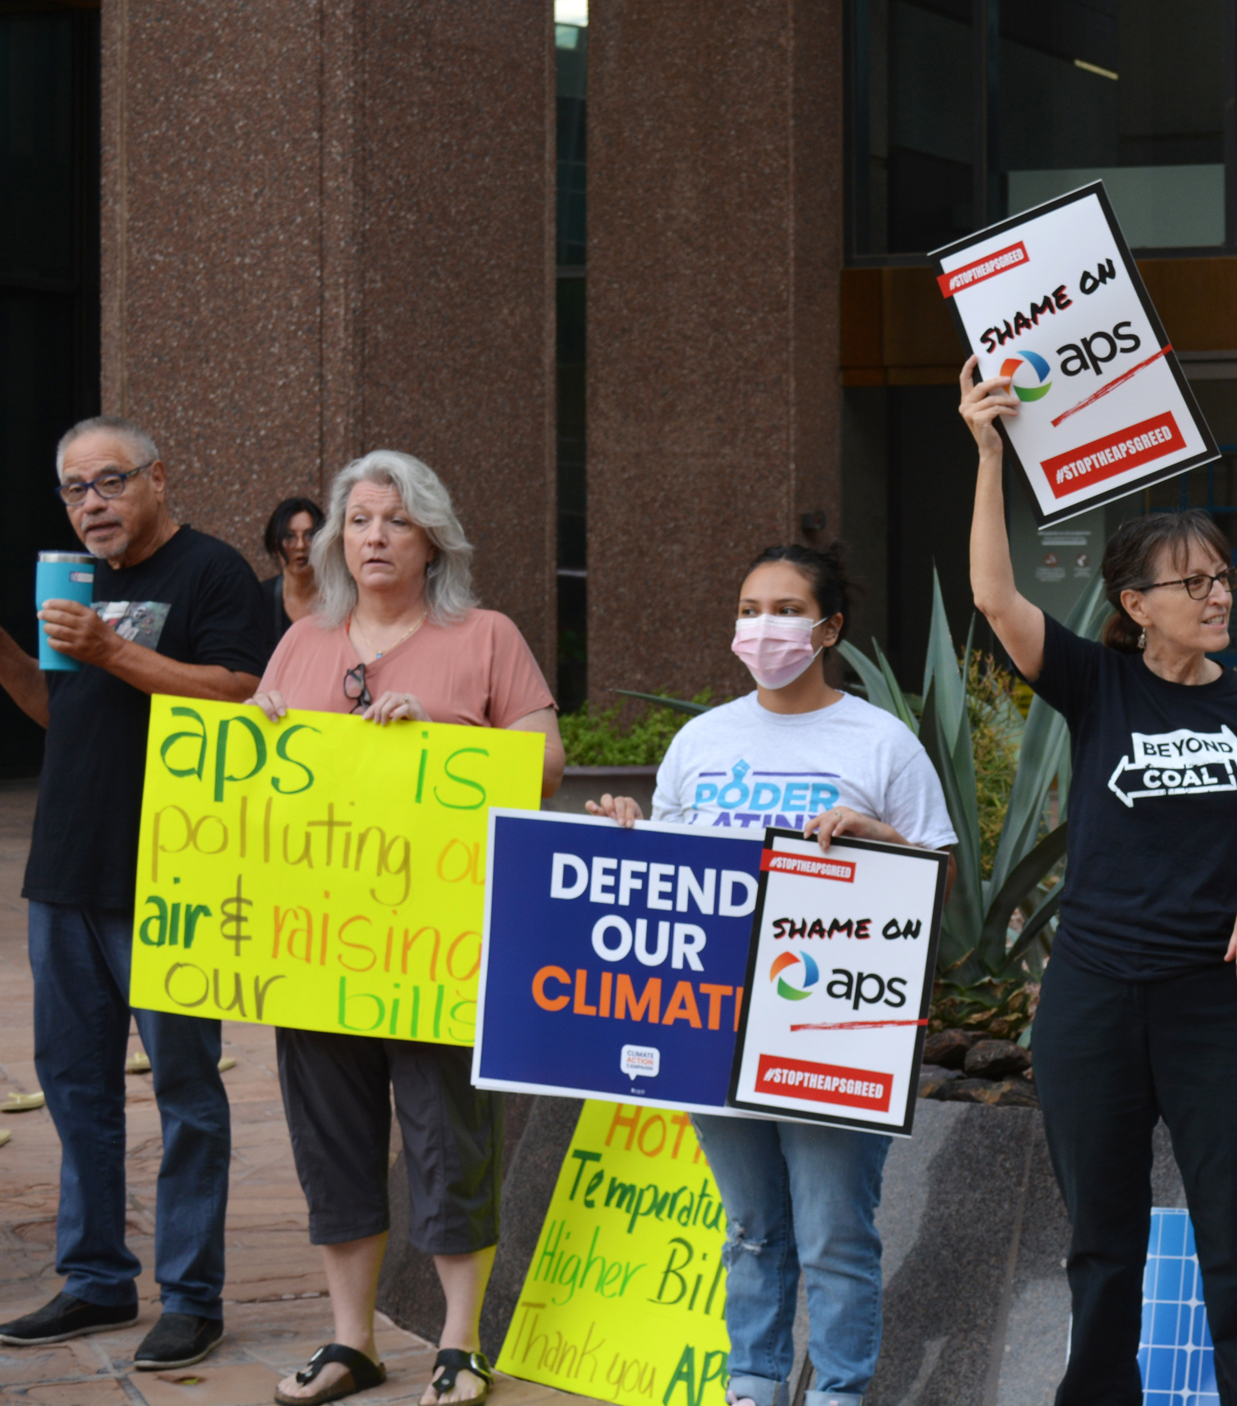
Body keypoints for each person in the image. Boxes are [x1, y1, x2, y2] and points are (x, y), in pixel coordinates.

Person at [958, 357, 1237, 1405]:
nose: (1216, 596)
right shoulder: (1096, 682)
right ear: (1134, 601)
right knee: (1102, 1245)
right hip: (1095, 997)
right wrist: (990, 451)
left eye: (1223, 579)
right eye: (1191, 582)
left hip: (1223, 1004)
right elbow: (993, 593)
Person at [586, 544, 954, 1406]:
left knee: (832, 1234)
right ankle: (750, 1384)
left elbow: (937, 877)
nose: (763, 625)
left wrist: (880, 841)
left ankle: (836, 1391)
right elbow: (670, 876)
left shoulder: (881, 741)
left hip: (830, 1029)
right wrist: (628, 833)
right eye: (750, 607)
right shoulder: (700, 740)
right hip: (710, 1023)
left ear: (828, 629)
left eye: (785, 609)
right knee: (750, 1229)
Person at [245, 449, 565, 1406]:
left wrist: (440, 734)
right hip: (319, 943)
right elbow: (263, 783)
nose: (374, 537)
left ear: (433, 541)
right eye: (358, 521)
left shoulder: (486, 636)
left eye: (397, 521)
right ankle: (352, 1342)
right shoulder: (304, 641)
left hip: (442, 944)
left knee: (447, 1137)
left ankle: (458, 1345)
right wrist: (258, 738)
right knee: (331, 1140)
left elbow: (545, 764)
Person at [0, 417, 272, 1371]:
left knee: (189, 1093)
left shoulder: (211, 572)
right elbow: (60, 707)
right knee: (76, 1088)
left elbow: (241, 694)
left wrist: (114, 653)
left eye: (109, 482)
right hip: (65, 873)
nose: (92, 505)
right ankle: (96, 1281)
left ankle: (192, 1296)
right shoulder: (73, 583)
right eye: (74, 490)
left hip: (173, 876)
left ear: (158, 478)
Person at [260, 495, 326, 636]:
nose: (300, 545)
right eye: (289, 536)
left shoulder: (343, 596)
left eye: (309, 535)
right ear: (275, 544)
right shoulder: (260, 599)